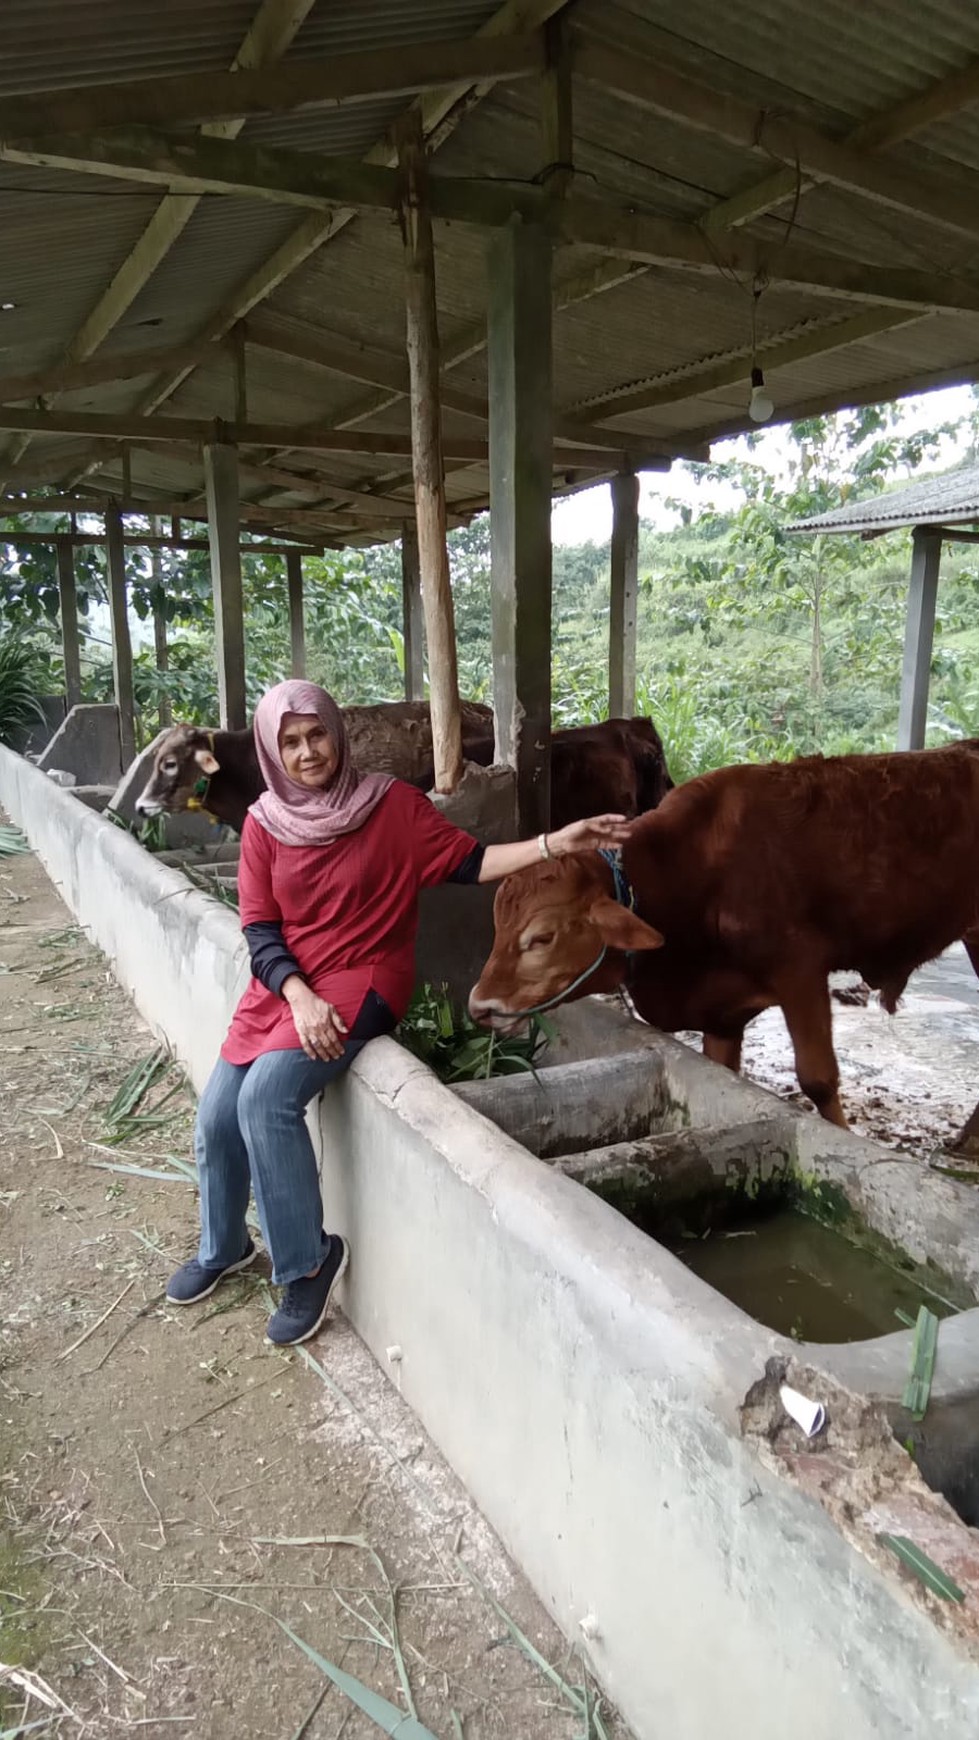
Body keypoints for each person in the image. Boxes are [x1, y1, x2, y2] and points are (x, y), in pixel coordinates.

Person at [167, 680, 630, 1347]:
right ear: (271, 749)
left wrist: (557, 841)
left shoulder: (390, 806)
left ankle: (307, 1263)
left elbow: (471, 862)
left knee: (265, 1100)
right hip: (287, 985)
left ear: (337, 731)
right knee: (217, 1114)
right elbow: (260, 930)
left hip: (365, 974)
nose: (307, 752)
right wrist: (297, 996)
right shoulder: (265, 825)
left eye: (317, 734)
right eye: (290, 741)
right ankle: (225, 1244)